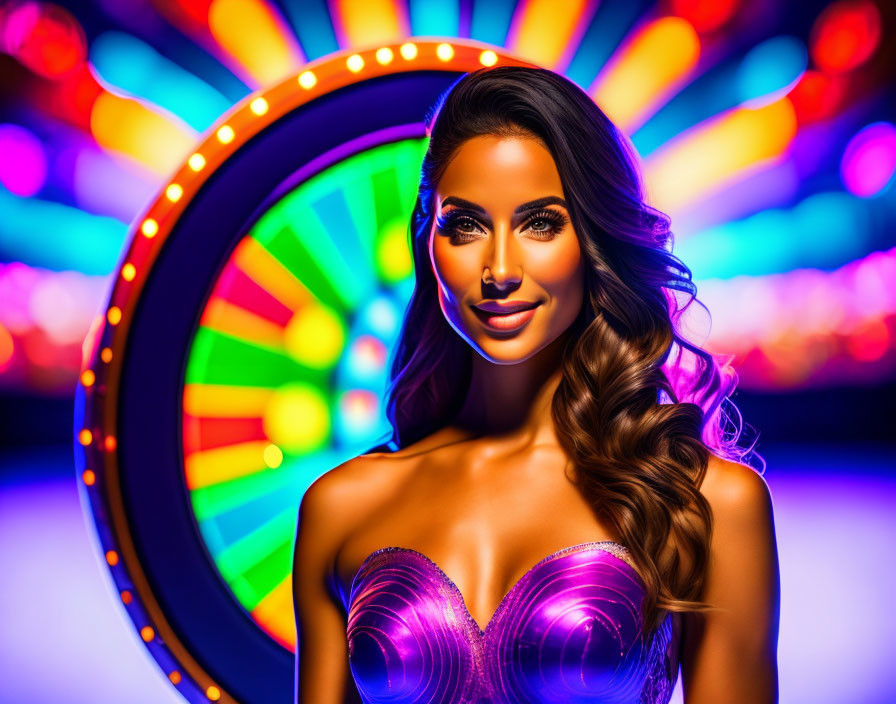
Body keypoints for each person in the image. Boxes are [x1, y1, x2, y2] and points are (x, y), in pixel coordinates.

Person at [293, 65, 780, 704]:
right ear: (428, 243)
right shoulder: (341, 507)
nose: (499, 269)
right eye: (464, 224)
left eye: (541, 223)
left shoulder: (706, 506)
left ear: (593, 237)